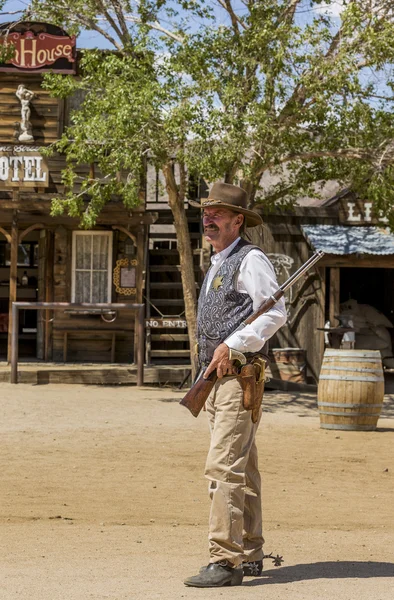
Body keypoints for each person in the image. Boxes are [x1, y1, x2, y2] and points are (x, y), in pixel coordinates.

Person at [184, 182, 287, 588]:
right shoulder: (217, 262)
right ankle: (251, 551)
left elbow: (275, 313)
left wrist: (233, 343)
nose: (208, 219)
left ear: (237, 220)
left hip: (239, 375)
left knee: (223, 467)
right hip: (216, 379)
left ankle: (226, 561)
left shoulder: (250, 259)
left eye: (218, 214)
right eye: (206, 214)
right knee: (242, 465)